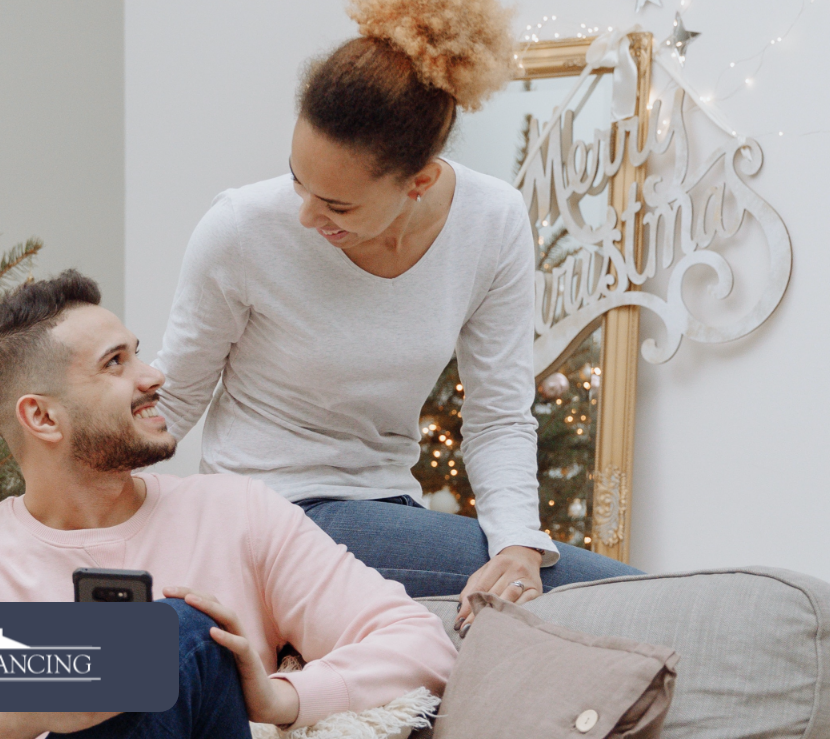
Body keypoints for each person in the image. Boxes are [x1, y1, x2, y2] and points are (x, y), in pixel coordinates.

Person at [151, 0, 642, 629]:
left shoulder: (491, 222)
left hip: (388, 506)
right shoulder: (241, 228)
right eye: (297, 179)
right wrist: (70, 512)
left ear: (419, 181)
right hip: (264, 510)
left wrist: (519, 543)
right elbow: (175, 399)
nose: (306, 214)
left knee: (561, 594)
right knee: (623, 593)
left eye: (337, 205)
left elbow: (497, 415)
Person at [0, 271, 456, 739]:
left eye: (137, 354)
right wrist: (16, 714)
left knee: (180, 630)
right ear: (42, 416)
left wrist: (282, 698)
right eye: (115, 363)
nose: (154, 376)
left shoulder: (236, 514)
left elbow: (420, 643)